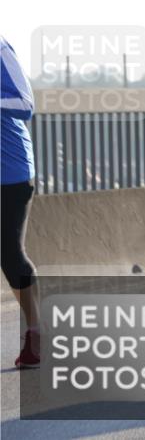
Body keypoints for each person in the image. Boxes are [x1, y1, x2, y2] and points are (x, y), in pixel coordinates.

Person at [2, 36, 40, 369]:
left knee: (10, 254)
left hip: (11, 172)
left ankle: (35, 331)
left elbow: (26, 103)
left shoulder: (0, 48)